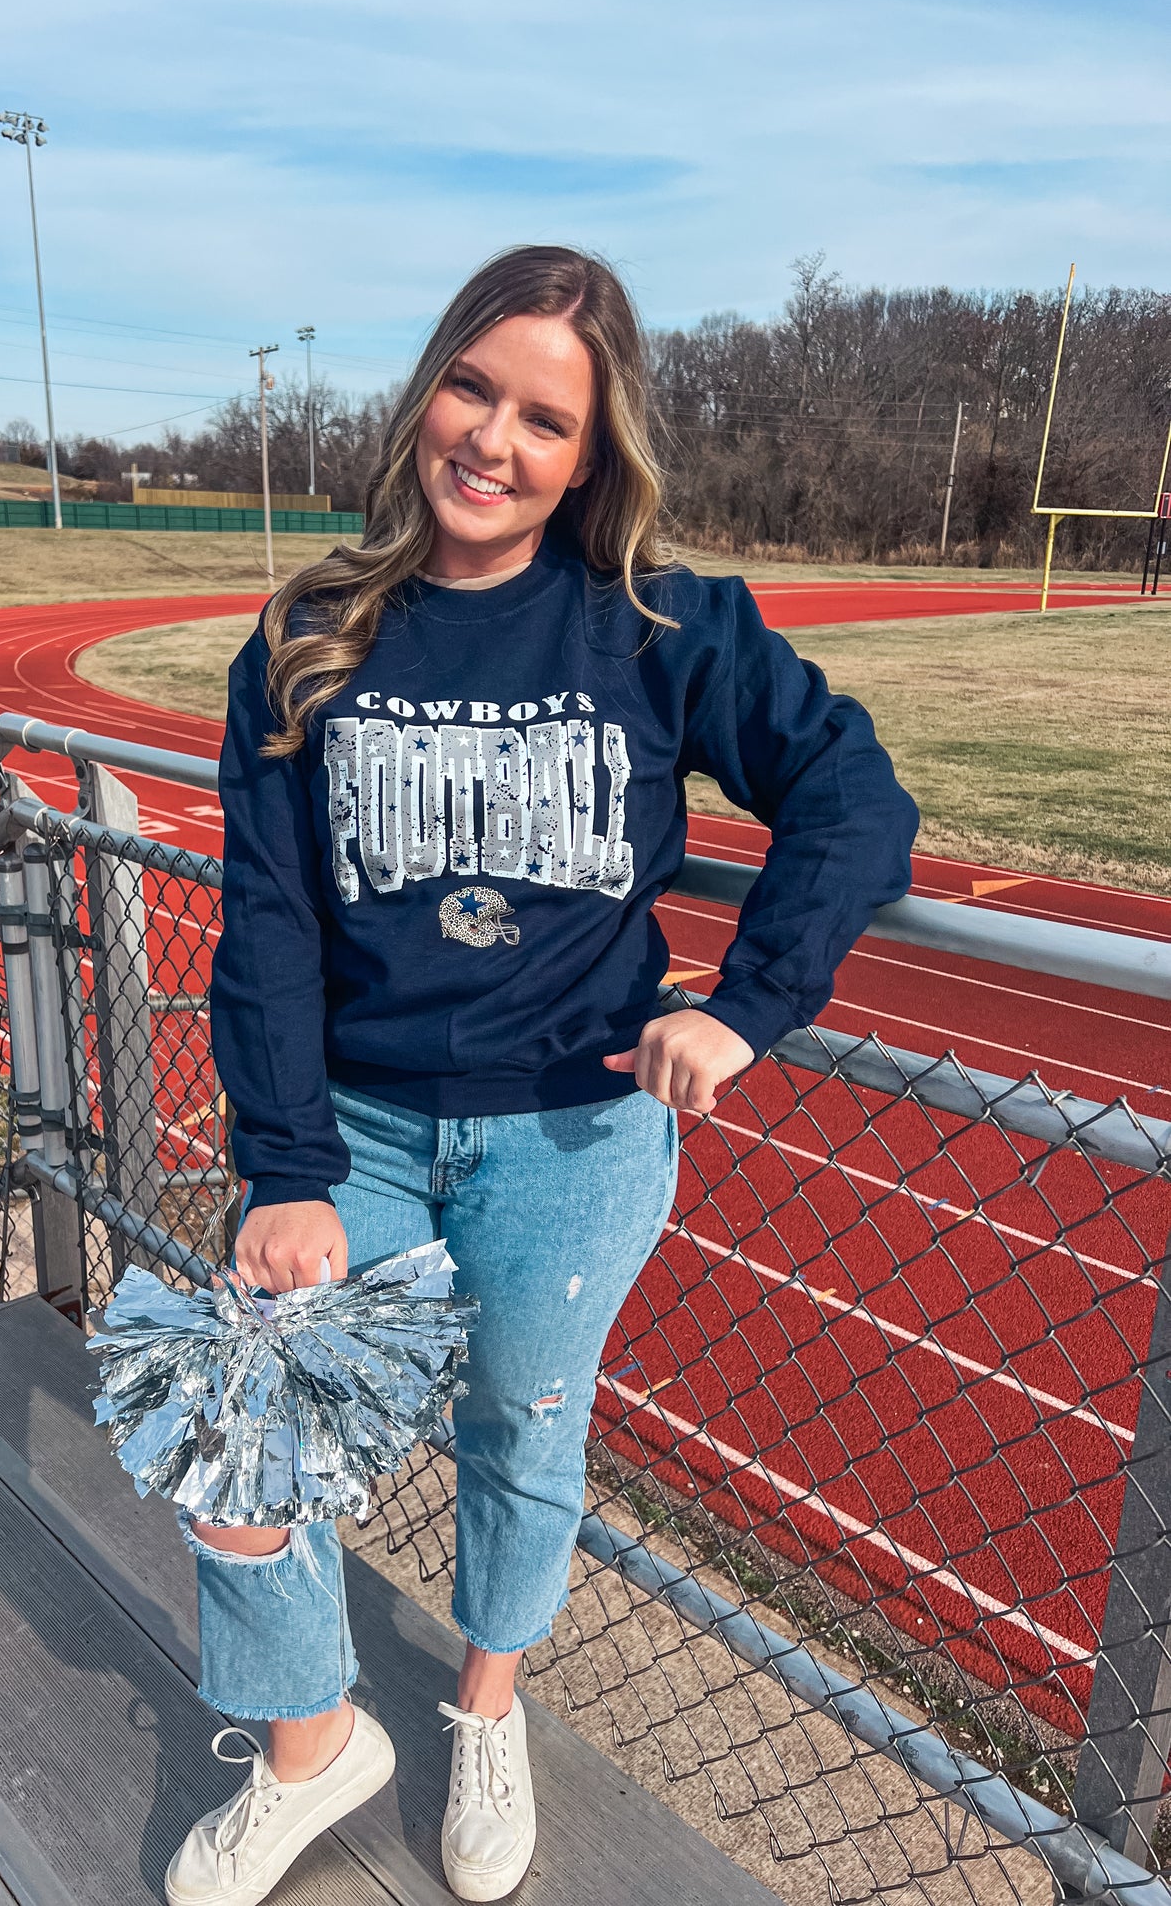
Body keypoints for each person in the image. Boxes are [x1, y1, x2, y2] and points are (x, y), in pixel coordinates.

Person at [167, 245, 918, 1906]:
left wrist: (747, 1004)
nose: (493, 439)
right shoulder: (310, 635)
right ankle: (315, 1742)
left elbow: (851, 796)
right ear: (425, 389)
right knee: (233, 1420)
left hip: (572, 1136)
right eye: (472, 387)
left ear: (592, 454)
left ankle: (482, 1707)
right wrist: (284, 1167)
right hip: (352, 1130)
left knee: (521, 1427)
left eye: (543, 417)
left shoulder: (661, 626)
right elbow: (273, 924)